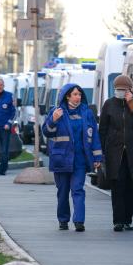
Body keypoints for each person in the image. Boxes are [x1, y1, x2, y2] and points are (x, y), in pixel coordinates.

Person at [42, 83, 102, 232]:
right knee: (62, 192)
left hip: (79, 160)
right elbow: (47, 132)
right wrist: (53, 120)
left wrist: (97, 158)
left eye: (80, 94)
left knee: (78, 190)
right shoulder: (57, 112)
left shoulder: (87, 113)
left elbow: (94, 135)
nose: (78, 97)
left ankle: (79, 221)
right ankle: (63, 220)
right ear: (67, 96)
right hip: (61, 159)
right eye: (75, 94)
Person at [99, 75, 133, 232]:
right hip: (114, 152)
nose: (120, 92)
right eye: (118, 90)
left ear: (130, 89)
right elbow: (103, 129)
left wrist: (131, 103)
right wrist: (100, 152)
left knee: (131, 186)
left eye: (123, 90)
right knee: (117, 186)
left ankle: (128, 220)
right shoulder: (109, 104)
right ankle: (118, 221)